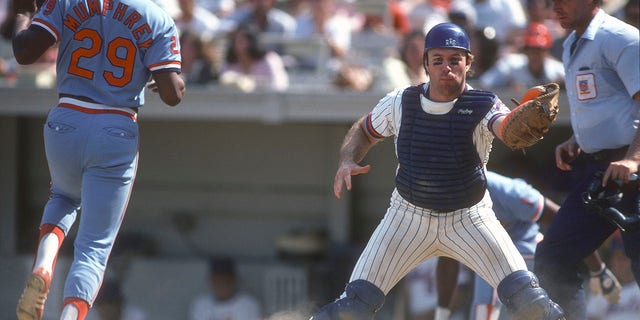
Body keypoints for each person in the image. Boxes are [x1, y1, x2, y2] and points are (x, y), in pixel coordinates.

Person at [309, 22, 564, 320]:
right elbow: (363, 130)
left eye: (455, 60)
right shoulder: (400, 101)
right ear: (426, 64)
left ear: (468, 63)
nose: (447, 68)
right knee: (352, 308)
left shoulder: (483, 103)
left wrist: (516, 123)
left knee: (532, 303)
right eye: (438, 60)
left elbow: (505, 127)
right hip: (407, 217)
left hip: (469, 219)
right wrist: (347, 159)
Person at [12, 0, 186, 318]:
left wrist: (24, 14)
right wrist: (170, 82)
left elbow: (25, 53)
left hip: (66, 118)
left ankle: (43, 263)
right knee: (93, 248)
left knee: (63, 197)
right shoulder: (157, 15)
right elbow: (172, 93)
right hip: (116, 127)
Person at [533, 0, 640, 318]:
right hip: (601, 170)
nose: (555, 6)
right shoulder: (571, 43)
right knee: (553, 257)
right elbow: (605, 104)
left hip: (630, 168)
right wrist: (577, 140)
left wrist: (634, 158)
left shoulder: (621, 38)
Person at [432, 170, 622, 320]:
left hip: (532, 265)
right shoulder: (444, 200)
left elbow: (564, 227)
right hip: (492, 271)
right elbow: (448, 255)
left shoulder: (503, 190)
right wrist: (442, 312)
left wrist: (599, 269)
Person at [478, 22, 565, 93]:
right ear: (525, 50)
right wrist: (507, 90)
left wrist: (562, 85)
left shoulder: (558, 70)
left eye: (539, 49)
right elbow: (483, 84)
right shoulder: (510, 65)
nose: (534, 54)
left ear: (547, 51)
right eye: (530, 49)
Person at [218, 25, 289, 92]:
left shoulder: (269, 60)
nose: (238, 46)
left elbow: (279, 85)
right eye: (235, 42)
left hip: (267, 102)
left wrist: (253, 83)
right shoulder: (229, 64)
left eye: (242, 41)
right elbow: (222, 85)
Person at [188, 256, 262, 320]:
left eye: (225, 280)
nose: (221, 284)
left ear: (234, 280)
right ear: (211, 281)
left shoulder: (247, 305)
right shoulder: (201, 304)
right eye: (217, 280)